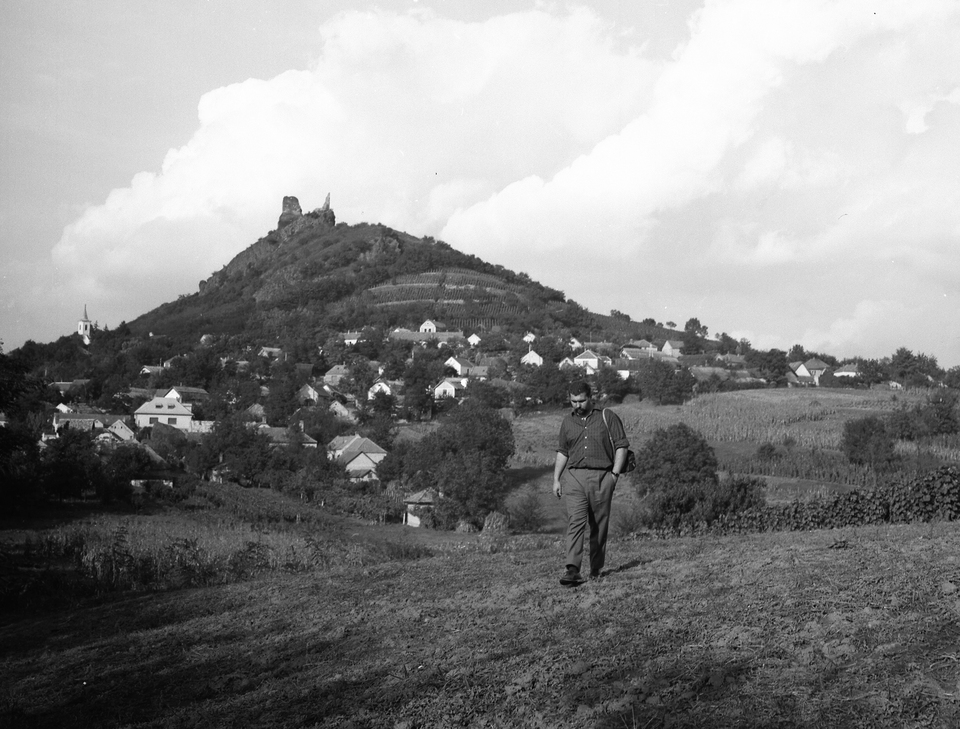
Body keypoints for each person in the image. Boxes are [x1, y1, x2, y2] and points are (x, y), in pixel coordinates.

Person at [553, 380, 629, 586]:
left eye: (581, 401)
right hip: (575, 478)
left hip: (602, 476)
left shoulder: (607, 417)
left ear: (590, 397)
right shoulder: (567, 422)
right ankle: (572, 569)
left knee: (599, 525)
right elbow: (563, 451)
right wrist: (556, 479)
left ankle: (596, 567)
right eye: (573, 401)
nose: (577, 405)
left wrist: (614, 475)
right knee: (575, 522)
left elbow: (622, 446)